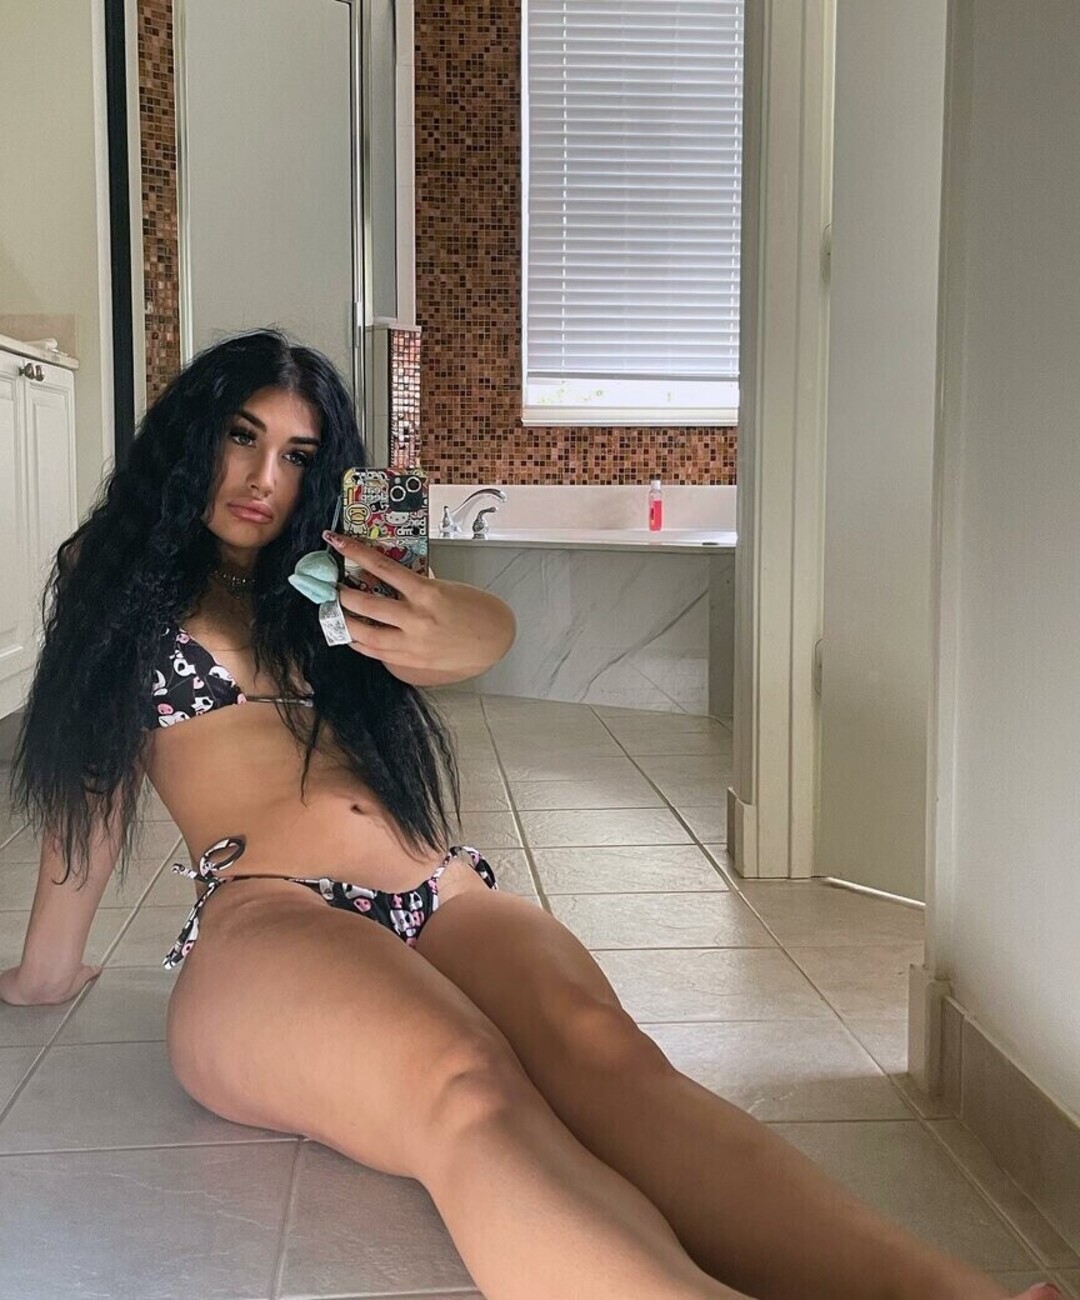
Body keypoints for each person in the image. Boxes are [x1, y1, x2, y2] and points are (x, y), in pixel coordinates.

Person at [0, 330, 1058, 1300]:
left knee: (614, 1067)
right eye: (242, 436)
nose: (264, 478)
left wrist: (436, 621)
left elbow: (480, 634)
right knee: (468, 1086)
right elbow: (90, 783)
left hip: (440, 892)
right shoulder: (118, 574)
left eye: (296, 453)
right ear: (192, 434)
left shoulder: (328, 578)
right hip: (269, 908)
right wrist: (48, 968)